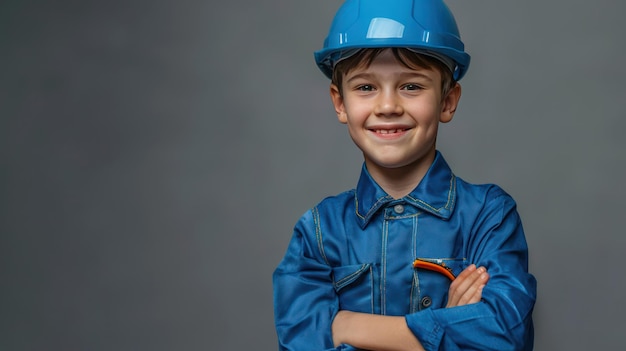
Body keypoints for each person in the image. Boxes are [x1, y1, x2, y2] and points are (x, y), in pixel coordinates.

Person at [272, 0, 537, 350]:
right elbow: (300, 340)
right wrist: (450, 331)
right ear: (340, 103)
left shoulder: (488, 217)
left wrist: (346, 325)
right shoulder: (319, 233)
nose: (387, 107)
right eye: (365, 87)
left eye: (411, 86)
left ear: (447, 101)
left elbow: (505, 336)